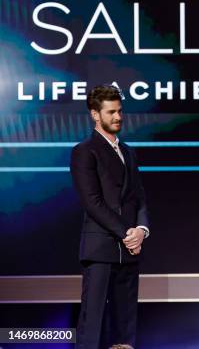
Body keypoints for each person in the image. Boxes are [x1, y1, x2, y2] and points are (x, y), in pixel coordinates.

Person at [70, 84, 150, 348]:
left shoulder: (128, 151)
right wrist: (126, 232)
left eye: (120, 111)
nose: (118, 117)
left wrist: (141, 229)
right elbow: (92, 202)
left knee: (125, 323)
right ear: (95, 114)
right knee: (92, 322)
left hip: (130, 249)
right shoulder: (85, 151)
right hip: (101, 247)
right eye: (111, 112)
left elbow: (138, 197)